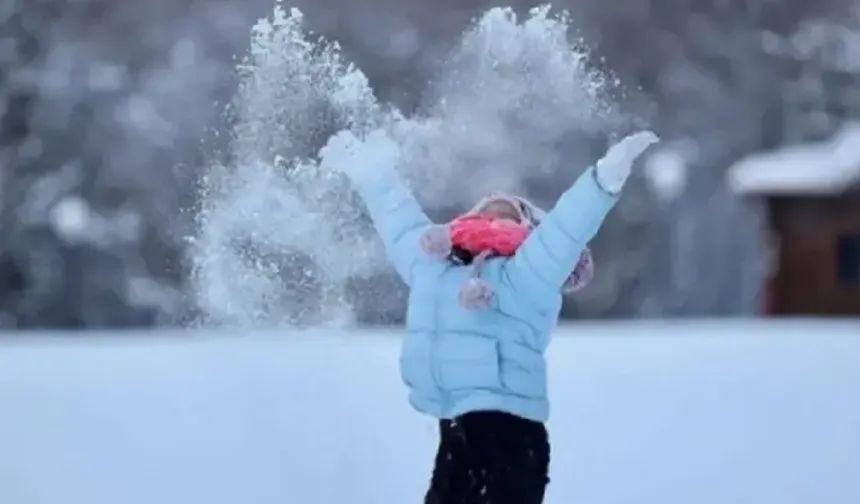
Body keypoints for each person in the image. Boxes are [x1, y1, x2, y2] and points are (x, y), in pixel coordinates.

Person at [320, 127, 659, 504]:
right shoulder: (432, 265)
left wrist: (603, 180)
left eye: (509, 214)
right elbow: (397, 219)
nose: (494, 214)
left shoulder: (528, 272)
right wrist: (368, 168)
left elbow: (566, 229)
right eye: (485, 210)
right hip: (455, 430)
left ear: (530, 231)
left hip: (512, 434)